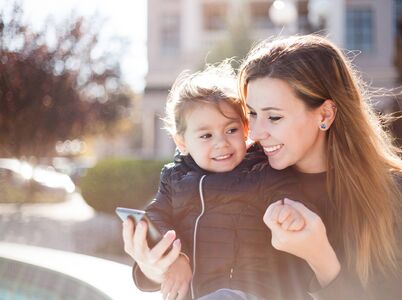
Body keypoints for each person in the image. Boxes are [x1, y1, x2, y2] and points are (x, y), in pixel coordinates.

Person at [238, 34, 402, 299]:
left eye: (274, 117)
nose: (256, 133)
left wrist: (321, 257)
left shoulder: (395, 190)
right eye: (252, 113)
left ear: (325, 114)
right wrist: (163, 265)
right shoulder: (244, 176)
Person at [122, 62, 306, 300]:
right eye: (206, 135)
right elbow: (156, 217)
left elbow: (290, 195)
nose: (222, 143)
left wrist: (291, 213)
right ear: (182, 143)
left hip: (252, 292)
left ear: (246, 130)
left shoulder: (261, 171)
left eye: (231, 130)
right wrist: (177, 257)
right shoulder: (175, 179)